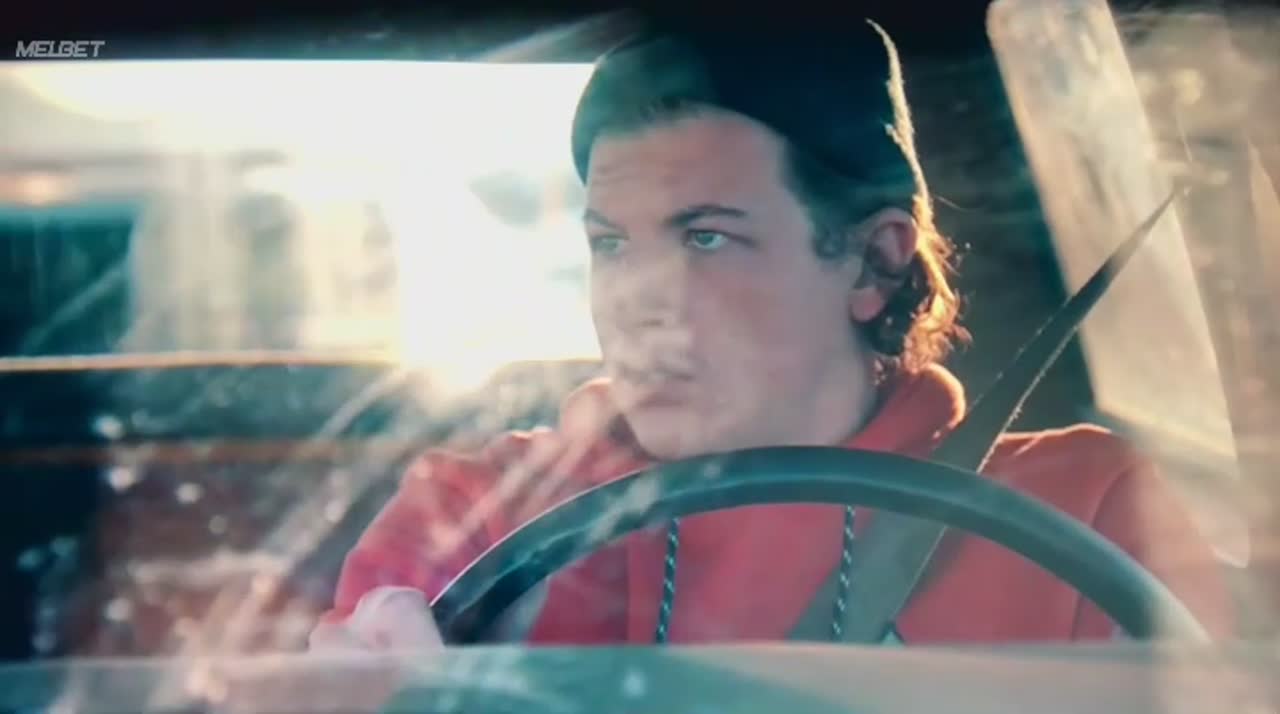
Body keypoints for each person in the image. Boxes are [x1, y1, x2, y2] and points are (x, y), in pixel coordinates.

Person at [309, 18, 1232, 650]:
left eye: (706, 238)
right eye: (611, 244)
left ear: (872, 263)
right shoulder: (475, 516)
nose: (636, 300)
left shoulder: (1084, 511)